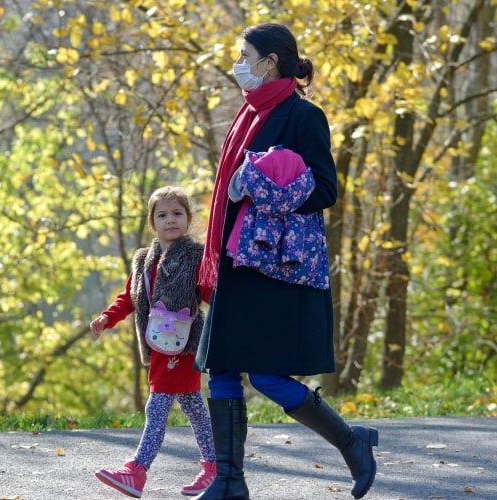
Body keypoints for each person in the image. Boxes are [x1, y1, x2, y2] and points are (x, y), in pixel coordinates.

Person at [194, 23, 378, 500]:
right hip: (237, 260)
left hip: (275, 265)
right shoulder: (246, 115)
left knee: (269, 375)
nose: (239, 62)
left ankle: (352, 442)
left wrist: (259, 186)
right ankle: (230, 482)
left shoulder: (303, 115)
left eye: (244, 54)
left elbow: (324, 190)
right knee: (224, 368)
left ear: (269, 61)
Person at [91, 186, 216, 498]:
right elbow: (129, 298)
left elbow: (209, 293)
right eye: (162, 214)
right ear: (152, 222)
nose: (170, 220)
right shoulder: (144, 260)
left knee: (157, 406)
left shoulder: (195, 257)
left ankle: (137, 470)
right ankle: (216, 468)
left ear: (188, 219)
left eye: (177, 213)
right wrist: (107, 318)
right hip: (158, 345)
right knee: (193, 406)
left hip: (184, 344)